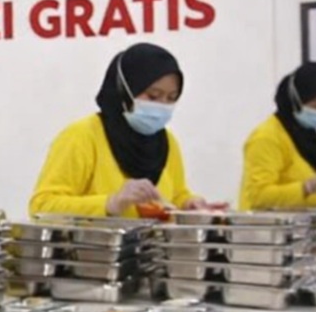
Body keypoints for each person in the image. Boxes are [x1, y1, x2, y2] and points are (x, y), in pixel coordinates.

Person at [30, 43, 214, 217]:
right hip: (94, 241)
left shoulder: (166, 141)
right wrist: (110, 203)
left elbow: (175, 195)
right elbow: (41, 206)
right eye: (153, 96)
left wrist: (188, 204)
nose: (162, 106)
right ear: (125, 92)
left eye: (171, 98)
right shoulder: (82, 136)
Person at [240, 62, 316, 209]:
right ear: (296, 100)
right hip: (264, 223)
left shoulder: (310, 137)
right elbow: (258, 196)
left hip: (300, 222)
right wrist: (309, 187)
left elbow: (315, 195)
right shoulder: (266, 137)